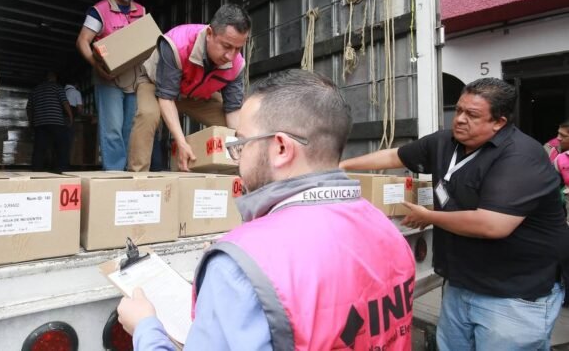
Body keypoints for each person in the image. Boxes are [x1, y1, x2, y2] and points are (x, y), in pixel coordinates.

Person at [117, 69, 416, 350]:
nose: (236, 157)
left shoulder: (238, 267)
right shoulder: (388, 231)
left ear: (281, 148)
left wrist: (145, 328)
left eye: (241, 143)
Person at [340, 78, 568, 350]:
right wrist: (339, 166)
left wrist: (429, 216)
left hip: (513, 296)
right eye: (459, 110)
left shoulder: (520, 156)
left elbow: (492, 224)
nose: (459, 119)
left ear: (499, 122)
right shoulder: (445, 142)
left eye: (472, 115)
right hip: (461, 284)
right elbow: (395, 156)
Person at [128, 4, 251, 172]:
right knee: (148, 114)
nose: (231, 56)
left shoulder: (236, 64)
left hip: (196, 93)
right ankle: (137, 176)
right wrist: (181, 142)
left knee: (233, 130)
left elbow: (233, 110)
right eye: (227, 46)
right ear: (209, 34)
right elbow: (166, 98)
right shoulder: (177, 44)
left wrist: (240, 144)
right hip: (156, 85)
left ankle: (232, 177)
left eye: (238, 48)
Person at [76, 0, 150, 170]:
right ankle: (114, 175)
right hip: (109, 79)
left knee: (130, 129)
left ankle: (128, 172)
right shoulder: (99, 11)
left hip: (135, 80)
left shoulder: (141, 11)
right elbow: (82, 41)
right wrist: (96, 65)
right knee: (112, 130)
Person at [26, 71, 73, 173]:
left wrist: (31, 122)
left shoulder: (35, 90)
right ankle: (61, 168)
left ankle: (37, 169)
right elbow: (65, 103)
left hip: (39, 123)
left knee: (39, 148)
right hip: (56, 122)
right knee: (61, 146)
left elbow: (29, 108)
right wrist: (70, 116)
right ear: (54, 77)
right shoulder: (57, 87)